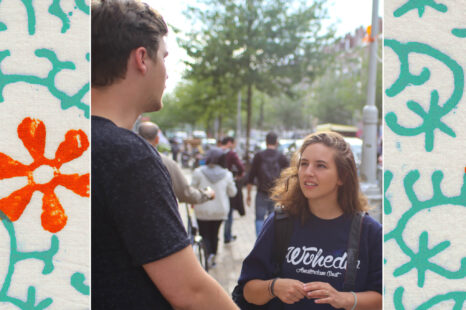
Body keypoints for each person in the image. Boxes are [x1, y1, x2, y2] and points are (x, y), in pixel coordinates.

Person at [91, 1, 238, 309]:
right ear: (141, 58)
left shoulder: (60, 141)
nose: (167, 73)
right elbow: (190, 291)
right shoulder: (128, 156)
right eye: (164, 58)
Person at [236, 132, 382, 309]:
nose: (308, 172)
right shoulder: (280, 222)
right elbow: (248, 291)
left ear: (342, 177)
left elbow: (386, 299)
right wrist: (273, 287)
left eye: (320, 166)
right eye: (303, 164)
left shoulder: (370, 232)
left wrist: (344, 299)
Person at [138, 121, 215, 204]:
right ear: (157, 139)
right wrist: (207, 194)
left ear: (137, 136)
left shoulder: (126, 157)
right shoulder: (167, 163)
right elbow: (186, 194)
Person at [191, 147, 237, 268]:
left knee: (204, 234)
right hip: (220, 210)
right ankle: (213, 256)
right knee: (215, 234)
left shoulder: (198, 172)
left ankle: (206, 256)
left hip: (202, 209)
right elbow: (233, 192)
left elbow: (192, 189)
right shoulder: (227, 174)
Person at [247, 132, 289, 236]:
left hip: (261, 192)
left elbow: (251, 176)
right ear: (276, 142)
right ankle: (270, 240)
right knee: (274, 218)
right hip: (277, 193)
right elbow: (288, 176)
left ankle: (259, 240)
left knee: (259, 218)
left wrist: (248, 195)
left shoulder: (258, 156)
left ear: (266, 142)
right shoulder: (282, 157)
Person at [220, 136, 245, 243]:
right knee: (229, 213)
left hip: (215, 186)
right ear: (230, 143)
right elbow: (241, 168)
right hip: (227, 184)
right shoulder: (231, 154)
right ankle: (227, 236)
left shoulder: (216, 152)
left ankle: (219, 237)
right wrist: (238, 176)